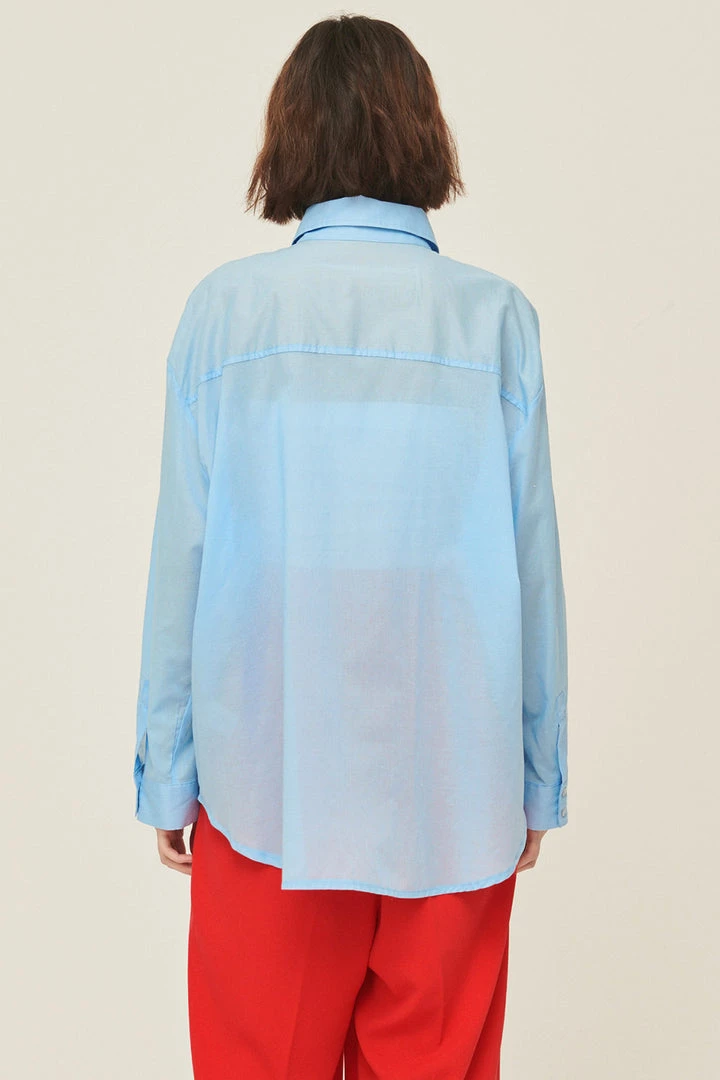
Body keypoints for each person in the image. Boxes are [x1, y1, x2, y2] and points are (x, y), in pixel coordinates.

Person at [132, 13, 569, 1080]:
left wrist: (166, 770)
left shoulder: (225, 314)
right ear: (424, 131)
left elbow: (183, 556)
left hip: (264, 783)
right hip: (455, 785)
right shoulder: (496, 321)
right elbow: (533, 568)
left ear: (289, 137)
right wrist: (536, 775)